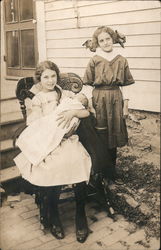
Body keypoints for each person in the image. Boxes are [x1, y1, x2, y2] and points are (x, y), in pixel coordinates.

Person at [14, 60, 92, 243]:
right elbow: (36, 125)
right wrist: (53, 127)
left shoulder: (64, 93)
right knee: (51, 168)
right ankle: (54, 215)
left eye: (53, 76)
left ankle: (81, 216)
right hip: (49, 142)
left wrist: (72, 113)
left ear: (57, 76)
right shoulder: (37, 99)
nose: (50, 80)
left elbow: (85, 112)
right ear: (39, 79)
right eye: (46, 77)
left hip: (68, 139)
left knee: (79, 162)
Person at [82, 26, 135, 184]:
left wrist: (125, 106)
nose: (105, 43)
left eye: (108, 39)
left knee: (114, 134)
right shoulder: (94, 60)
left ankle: (112, 171)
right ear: (97, 43)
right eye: (101, 40)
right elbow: (87, 85)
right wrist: (91, 106)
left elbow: (127, 85)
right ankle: (100, 171)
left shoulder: (122, 60)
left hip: (116, 99)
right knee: (101, 135)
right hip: (99, 99)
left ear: (113, 40)